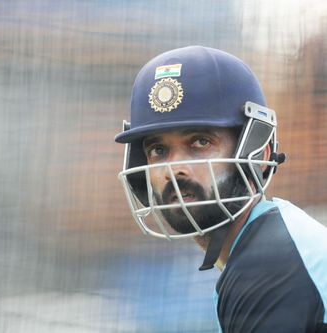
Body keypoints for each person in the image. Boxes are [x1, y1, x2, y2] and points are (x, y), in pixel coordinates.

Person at [115, 46, 327, 332]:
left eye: (200, 142)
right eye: (158, 149)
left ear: (259, 154)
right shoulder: (261, 249)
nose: (174, 168)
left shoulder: (270, 263)